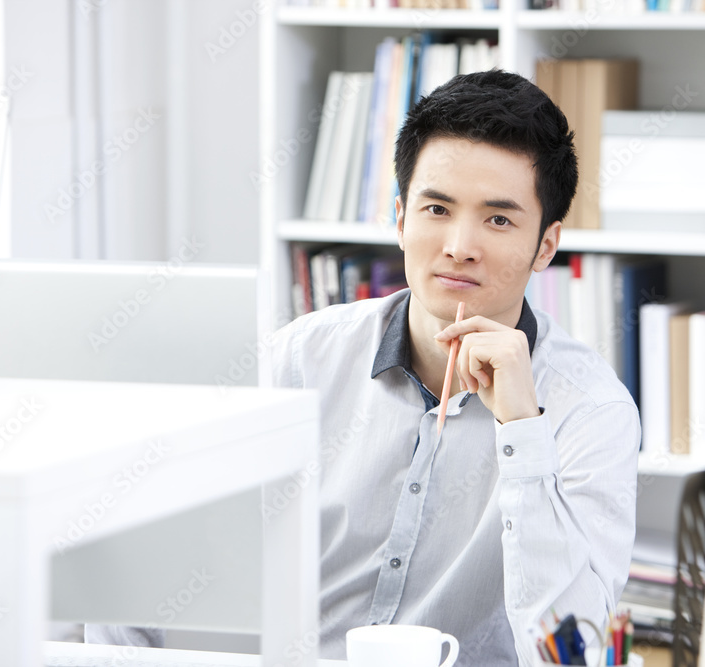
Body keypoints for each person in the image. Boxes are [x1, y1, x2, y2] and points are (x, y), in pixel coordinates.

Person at [270, 69, 640, 665]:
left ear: (546, 245)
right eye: (437, 208)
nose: (460, 245)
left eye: (499, 219)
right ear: (399, 218)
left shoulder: (591, 411)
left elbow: (570, 652)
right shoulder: (300, 360)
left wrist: (523, 430)